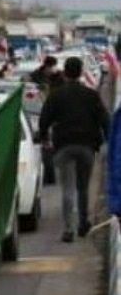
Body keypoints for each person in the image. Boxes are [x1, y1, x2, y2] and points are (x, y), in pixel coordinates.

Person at [38, 56, 111, 242]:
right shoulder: (91, 95)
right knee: (83, 188)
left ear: (65, 72)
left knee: (67, 189)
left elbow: (44, 119)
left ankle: (68, 228)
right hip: (87, 147)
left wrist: (44, 136)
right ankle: (83, 223)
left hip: (63, 146)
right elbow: (104, 119)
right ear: (80, 72)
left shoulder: (56, 94)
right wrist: (109, 141)